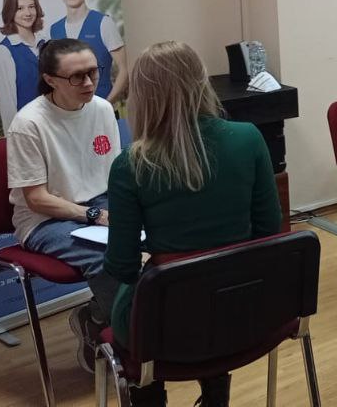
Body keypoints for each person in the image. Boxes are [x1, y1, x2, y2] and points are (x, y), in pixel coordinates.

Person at [104, 41, 280, 407]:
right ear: (201, 82)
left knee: (133, 306)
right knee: (208, 291)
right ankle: (215, 393)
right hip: (244, 310)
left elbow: (121, 266)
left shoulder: (130, 165)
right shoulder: (249, 138)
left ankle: (150, 396)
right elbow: (269, 233)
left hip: (163, 325)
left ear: (142, 96)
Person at [5, 38, 120, 373]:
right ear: (50, 79)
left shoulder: (101, 109)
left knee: (157, 234)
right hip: (44, 219)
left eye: (93, 72)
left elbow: (114, 175)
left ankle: (98, 317)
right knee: (107, 256)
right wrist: (94, 215)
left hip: (98, 202)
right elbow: (36, 199)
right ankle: (126, 340)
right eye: (76, 77)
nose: (88, 82)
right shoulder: (28, 124)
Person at [50, 0, 128, 104]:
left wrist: (107, 104)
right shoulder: (55, 30)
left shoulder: (103, 23)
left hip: (102, 108)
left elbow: (124, 70)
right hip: (70, 112)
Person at [0, 0, 48, 130]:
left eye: (31, 7)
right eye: (20, 8)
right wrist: (13, 138)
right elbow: (7, 104)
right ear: (10, 11)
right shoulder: (4, 51)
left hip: (55, 124)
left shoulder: (46, 42)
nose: (28, 13)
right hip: (28, 130)